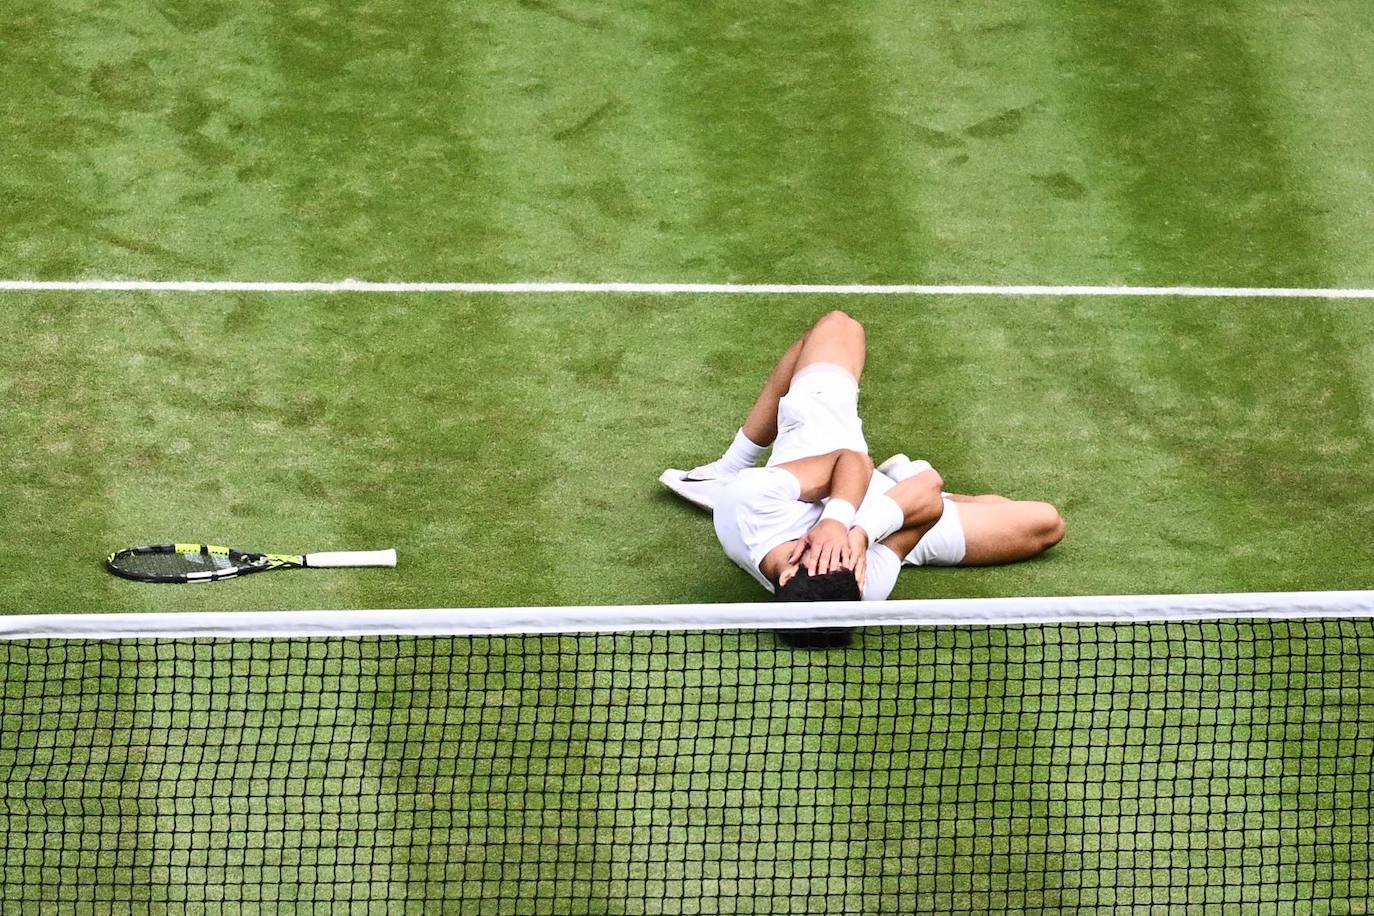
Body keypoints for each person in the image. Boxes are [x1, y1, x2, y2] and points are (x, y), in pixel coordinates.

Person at [661, 311, 1066, 615]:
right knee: (1045, 525)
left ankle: (730, 464)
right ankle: (898, 478)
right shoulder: (863, 585)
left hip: (819, 453)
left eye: (831, 559)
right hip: (886, 517)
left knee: (839, 326)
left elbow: (850, 460)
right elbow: (929, 489)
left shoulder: (746, 503)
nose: (841, 560)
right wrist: (861, 537)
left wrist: (835, 523)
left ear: (786, 575)